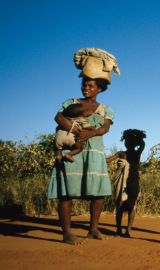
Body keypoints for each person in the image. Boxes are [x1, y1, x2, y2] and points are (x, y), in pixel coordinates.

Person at [48, 48, 119, 245]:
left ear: (99, 88)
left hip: (94, 153)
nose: (85, 88)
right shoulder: (70, 103)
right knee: (66, 192)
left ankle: (93, 228)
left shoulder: (106, 109)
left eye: (90, 85)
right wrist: (75, 130)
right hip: (73, 152)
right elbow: (58, 117)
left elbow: (105, 128)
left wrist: (92, 133)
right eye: (84, 84)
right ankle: (67, 232)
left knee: (98, 193)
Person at [106, 129, 146, 238]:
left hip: (133, 181)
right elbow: (108, 160)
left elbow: (142, 144)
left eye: (130, 141)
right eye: (126, 141)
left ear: (134, 142)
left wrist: (137, 137)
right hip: (122, 182)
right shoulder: (121, 153)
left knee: (132, 206)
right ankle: (119, 229)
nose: (127, 143)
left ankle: (128, 230)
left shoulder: (137, 153)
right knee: (120, 205)